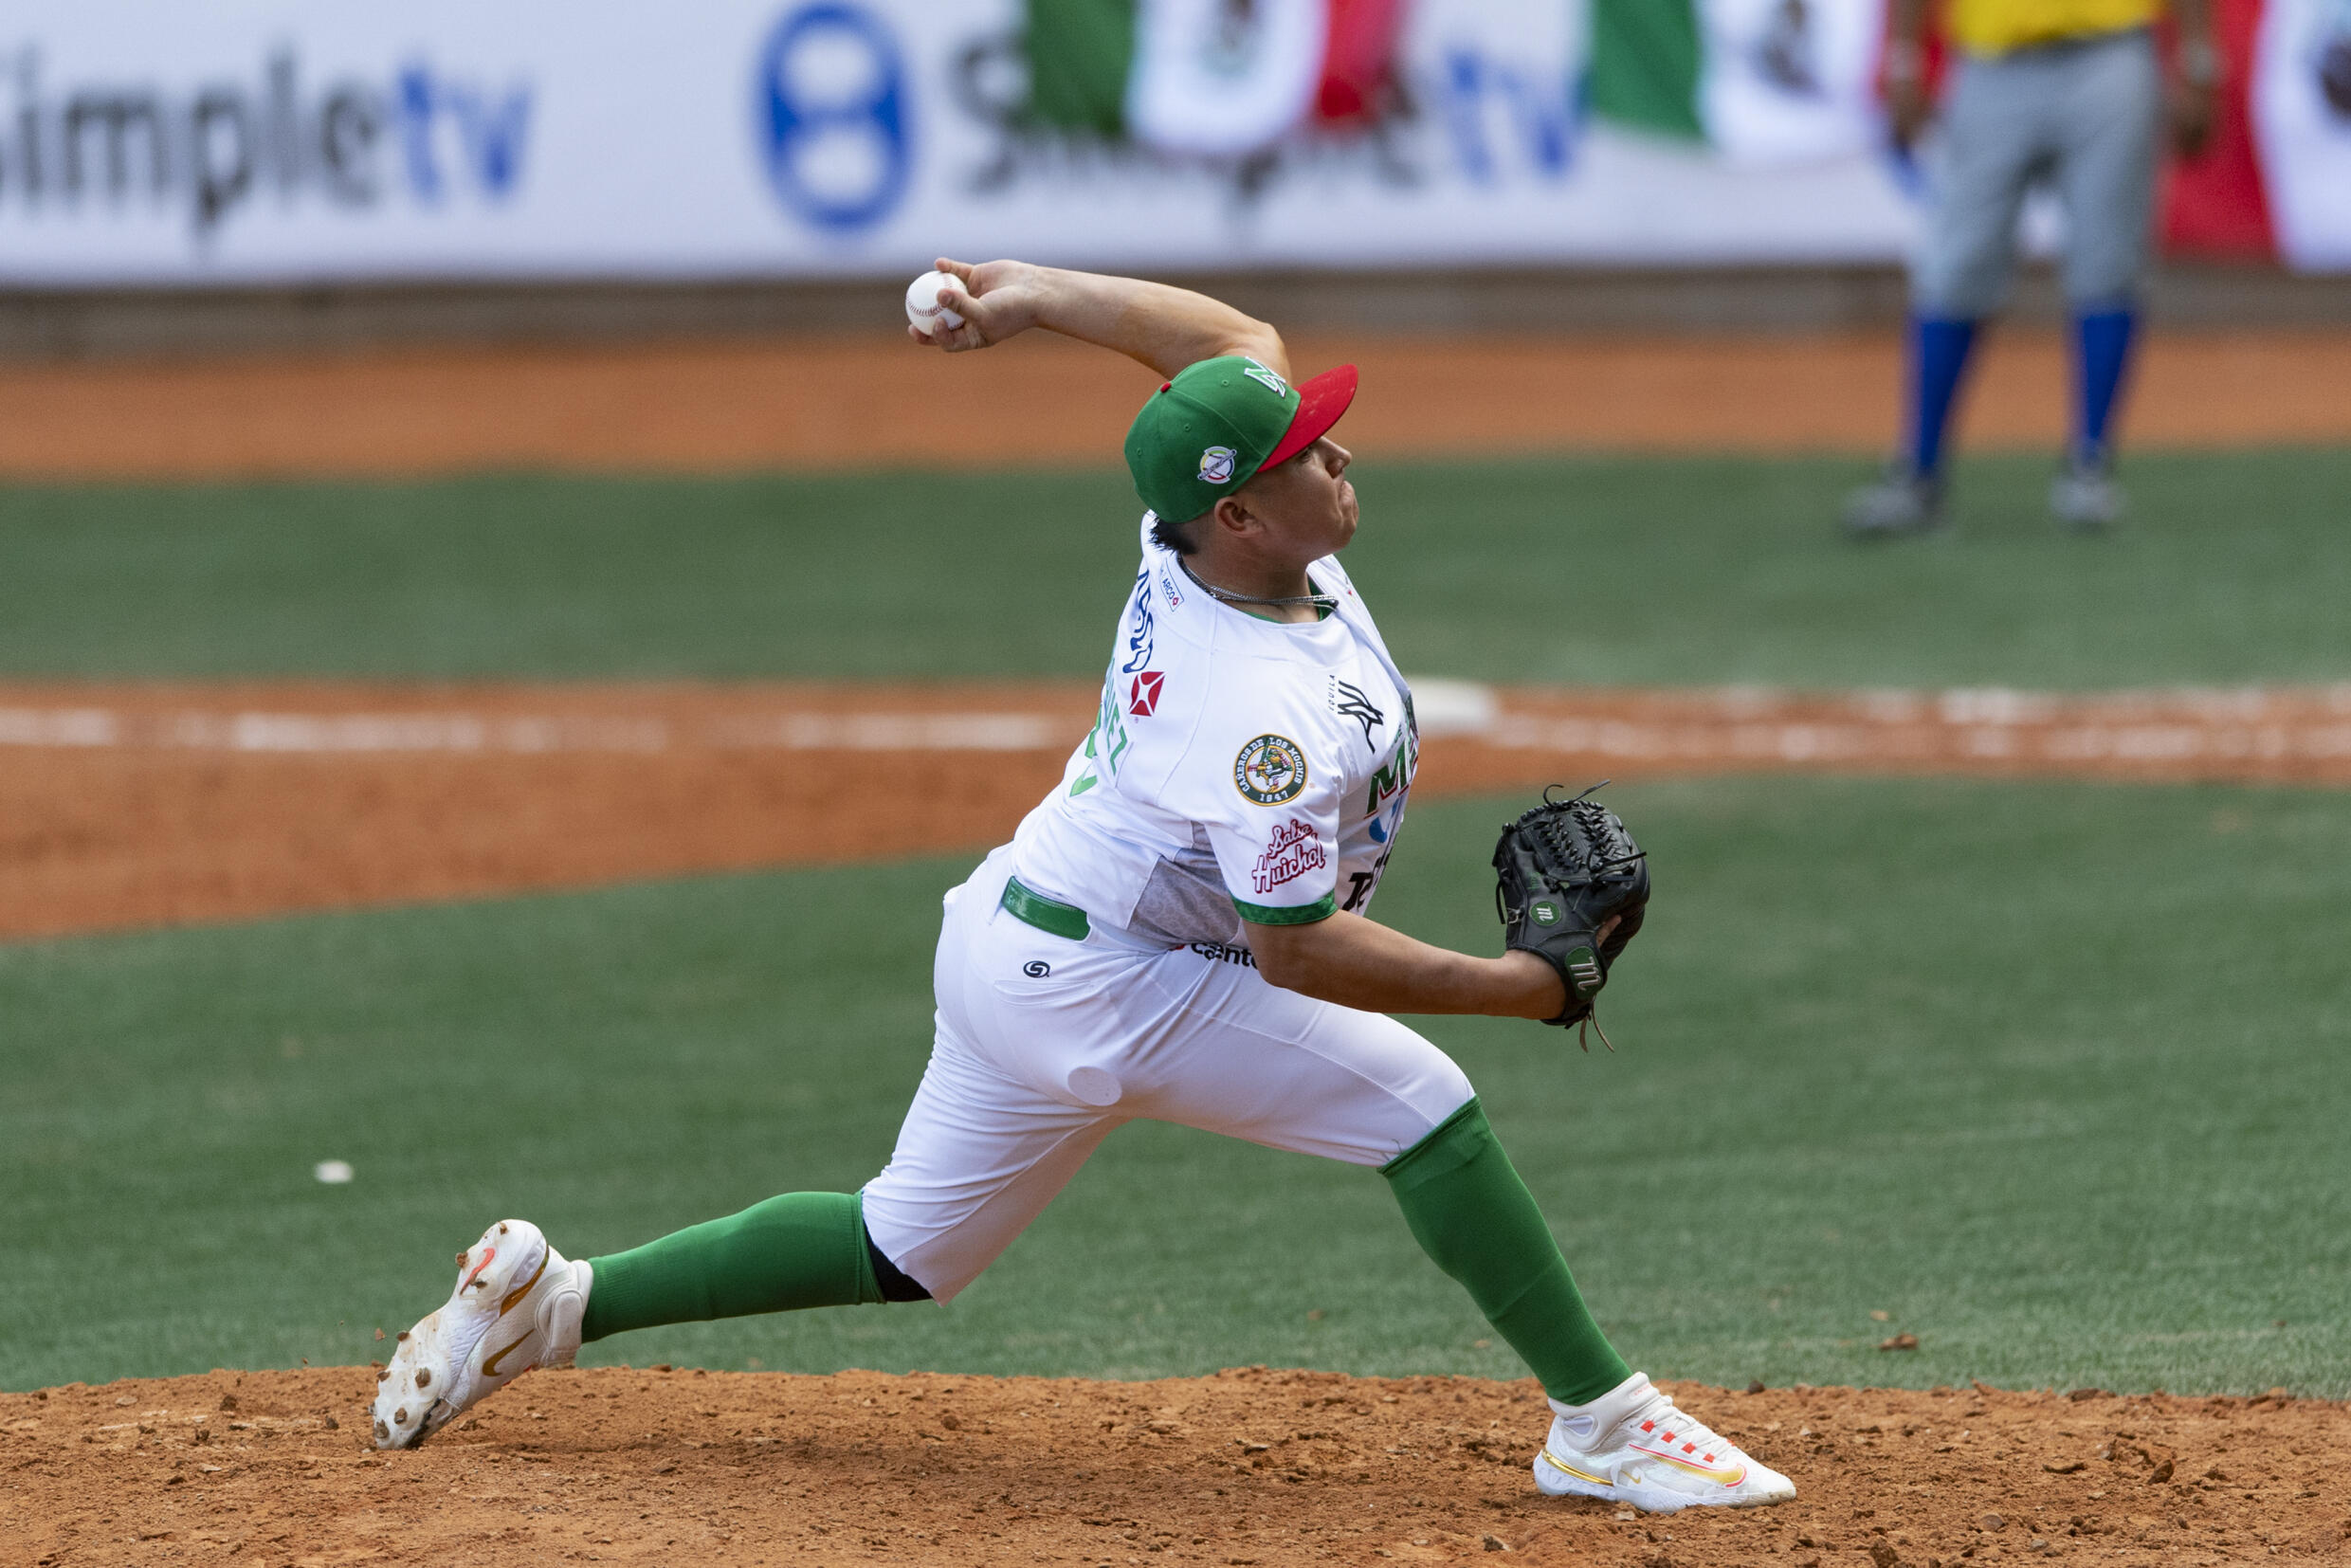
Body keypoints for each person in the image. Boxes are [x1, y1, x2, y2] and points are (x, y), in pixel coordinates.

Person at [367, 261, 1795, 1514]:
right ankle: (1605, 1426)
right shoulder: (1256, 721)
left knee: (903, 1243)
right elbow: (1295, 954)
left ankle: (556, 1302)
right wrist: (1518, 990)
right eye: (1305, 453)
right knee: (1422, 1106)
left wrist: (1038, 297)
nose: (1339, 449)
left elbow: (1231, 342)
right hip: (1111, 982)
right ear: (1240, 511)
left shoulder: (1201, 542)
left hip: (1024, 931)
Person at [1843, 0, 2220, 537]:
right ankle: (1918, 472)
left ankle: (2090, 469)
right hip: (1991, 58)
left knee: (2109, 265)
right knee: (1954, 269)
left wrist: (2200, 61)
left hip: (2110, 49)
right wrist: (1903, 61)